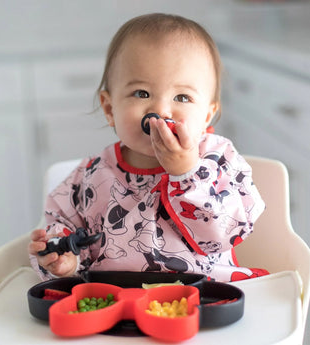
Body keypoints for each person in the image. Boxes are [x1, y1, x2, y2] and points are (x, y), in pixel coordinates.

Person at [28, 13, 268, 282]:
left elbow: (224, 235)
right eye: (142, 93)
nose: (161, 110)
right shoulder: (90, 175)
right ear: (110, 108)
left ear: (207, 116)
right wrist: (64, 261)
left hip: (204, 294)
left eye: (182, 97)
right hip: (116, 300)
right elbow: (63, 231)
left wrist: (187, 173)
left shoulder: (219, 160)